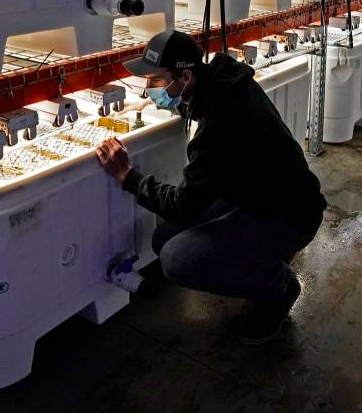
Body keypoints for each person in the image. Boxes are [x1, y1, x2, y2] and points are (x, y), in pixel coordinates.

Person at [95, 29, 327, 345]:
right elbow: (198, 107)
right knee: (164, 237)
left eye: (157, 81)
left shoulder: (220, 125)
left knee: (177, 260)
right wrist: (162, 106)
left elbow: (182, 204)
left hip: (289, 216)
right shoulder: (223, 82)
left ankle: (279, 286)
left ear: (185, 77)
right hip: (259, 195)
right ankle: (262, 258)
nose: (149, 89)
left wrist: (127, 176)